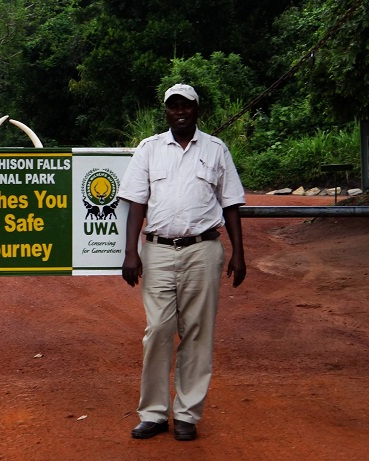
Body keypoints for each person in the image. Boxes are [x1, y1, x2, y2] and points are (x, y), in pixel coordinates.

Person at [117, 83, 246, 441]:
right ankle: (155, 413)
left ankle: (187, 414)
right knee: (158, 330)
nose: (180, 112)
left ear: (197, 111)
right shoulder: (149, 149)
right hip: (157, 250)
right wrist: (131, 252)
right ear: (166, 112)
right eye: (173, 107)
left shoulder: (217, 150)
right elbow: (136, 203)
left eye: (186, 106)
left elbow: (231, 203)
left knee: (197, 332)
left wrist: (239, 252)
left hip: (203, 250)